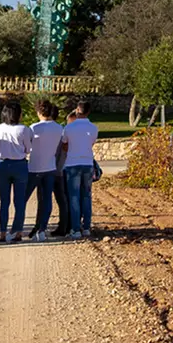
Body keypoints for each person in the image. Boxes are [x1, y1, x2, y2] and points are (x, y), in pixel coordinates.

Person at [57, 102, 99, 241]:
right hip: (87, 163)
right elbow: (91, 143)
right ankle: (86, 227)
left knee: (73, 196)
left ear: (77, 110)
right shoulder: (93, 128)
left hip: (72, 164)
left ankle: (75, 229)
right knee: (86, 195)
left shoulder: (69, 128)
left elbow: (64, 144)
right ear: (88, 112)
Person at [24, 100, 65, 242]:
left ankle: (17, 228)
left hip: (34, 167)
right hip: (50, 167)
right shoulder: (59, 128)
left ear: (39, 112)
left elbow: (27, 146)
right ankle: (41, 229)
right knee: (46, 199)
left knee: (23, 198)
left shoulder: (34, 128)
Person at [0, 104, 31, 243]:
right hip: (20, 165)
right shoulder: (24, 129)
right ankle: (18, 232)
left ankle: (2, 232)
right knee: (19, 201)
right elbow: (28, 149)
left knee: (4, 201)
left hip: (3, 164)